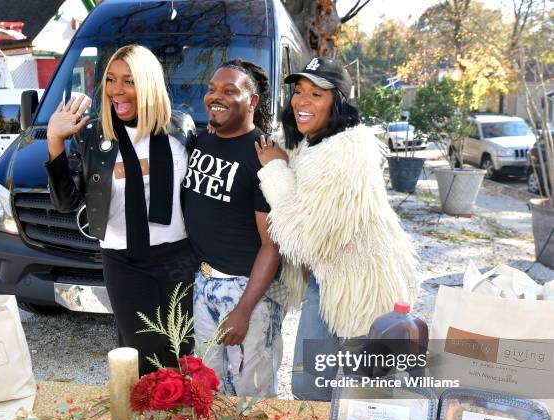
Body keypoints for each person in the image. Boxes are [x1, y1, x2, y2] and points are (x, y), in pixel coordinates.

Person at [255, 57, 419, 380]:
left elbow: (302, 238)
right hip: (330, 278)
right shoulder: (316, 142)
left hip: (365, 285)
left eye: (316, 94)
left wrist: (275, 169)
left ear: (338, 103)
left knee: (364, 391)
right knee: (310, 384)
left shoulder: (345, 153)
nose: (302, 101)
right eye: (299, 91)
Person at [45, 44, 197, 375]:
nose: (117, 90)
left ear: (149, 82)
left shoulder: (181, 129)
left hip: (179, 259)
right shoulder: (93, 134)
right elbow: (65, 202)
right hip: (124, 262)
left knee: (184, 350)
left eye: (129, 81)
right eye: (111, 80)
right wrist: (54, 142)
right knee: (144, 355)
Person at [182, 59, 283, 397]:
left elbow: (272, 245)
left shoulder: (264, 157)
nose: (215, 96)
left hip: (247, 292)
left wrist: (243, 310)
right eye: (211, 89)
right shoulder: (202, 140)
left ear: (252, 101)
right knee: (210, 387)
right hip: (205, 282)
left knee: (252, 395)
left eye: (229, 90)